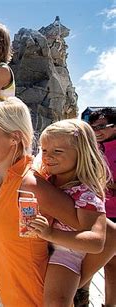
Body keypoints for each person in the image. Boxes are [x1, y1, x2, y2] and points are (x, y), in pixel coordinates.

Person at [0, 97, 116, 306]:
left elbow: (108, 234)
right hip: (13, 292)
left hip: (34, 296)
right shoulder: (8, 175)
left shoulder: (30, 184)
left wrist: (72, 280)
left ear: (14, 137)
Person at [28, 119, 109, 307]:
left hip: (66, 253)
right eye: (44, 150)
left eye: (57, 151)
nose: (48, 157)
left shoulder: (86, 193)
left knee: (56, 302)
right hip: (40, 245)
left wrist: (50, 234)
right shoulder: (47, 178)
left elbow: (97, 241)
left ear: (81, 153)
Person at [88, 107, 116, 306]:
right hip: (96, 213)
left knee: (113, 264)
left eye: (102, 126)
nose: (96, 130)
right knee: (86, 260)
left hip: (114, 214)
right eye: (93, 126)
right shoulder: (92, 149)